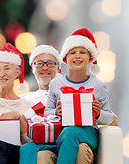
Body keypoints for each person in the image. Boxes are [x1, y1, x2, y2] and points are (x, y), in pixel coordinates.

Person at [21, 28, 114, 164]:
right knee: (28, 148)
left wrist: (99, 113)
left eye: (82, 52)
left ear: (90, 58)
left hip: (88, 133)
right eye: (72, 53)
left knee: (71, 132)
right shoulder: (56, 84)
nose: (77, 56)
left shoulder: (97, 85)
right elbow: (47, 112)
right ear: (65, 58)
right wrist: (55, 112)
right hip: (61, 133)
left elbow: (109, 118)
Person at [20, 44, 94, 164]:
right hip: (41, 146)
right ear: (32, 68)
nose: (45, 67)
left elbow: (108, 119)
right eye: (39, 63)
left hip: (72, 142)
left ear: (58, 68)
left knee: (79, 149)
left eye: (50, 63)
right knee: (40, 156)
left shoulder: (74, 90)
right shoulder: (24, 99)